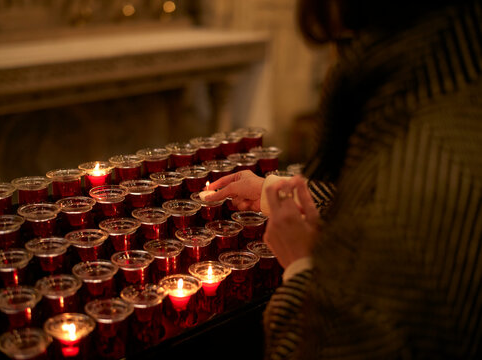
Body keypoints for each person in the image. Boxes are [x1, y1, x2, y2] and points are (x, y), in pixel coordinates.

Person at [203, 0, 482, 358]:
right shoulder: (453, 78)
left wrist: (303, 267)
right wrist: (271, 193)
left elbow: (334, 346)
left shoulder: (412, 156)